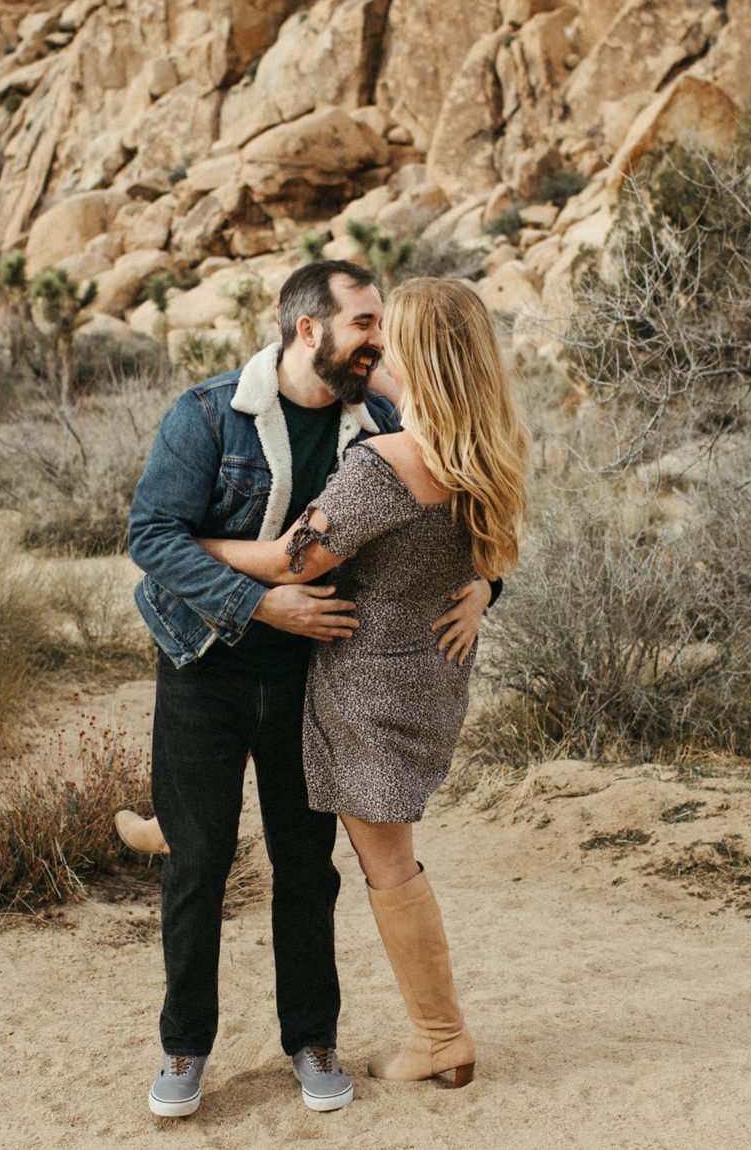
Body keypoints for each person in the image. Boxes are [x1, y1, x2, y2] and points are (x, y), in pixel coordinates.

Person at [124, 260, 494, 1119]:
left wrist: (486, 587)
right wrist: (258, 603)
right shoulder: (208, 413)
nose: (380, 342)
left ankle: (312, 1039)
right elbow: (151, 535)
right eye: (365, 323)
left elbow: (457, 520)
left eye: (384, 325)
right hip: (204, 662)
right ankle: (185, 1048)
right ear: (308, 330)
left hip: (311, 677)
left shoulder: (386, 422)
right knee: (198, 863)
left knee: (305, 868)